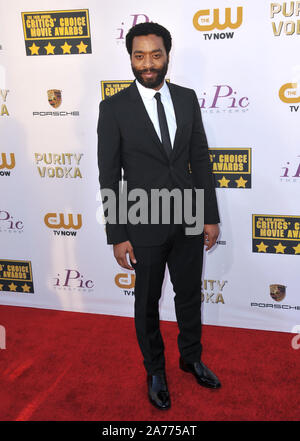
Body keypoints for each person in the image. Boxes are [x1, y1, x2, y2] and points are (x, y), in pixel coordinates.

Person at [97, 22, 221, 410]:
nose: (147, 64)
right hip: (142, 221)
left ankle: (191, 358)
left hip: (187, 215)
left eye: (155, 55)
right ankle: (155, 370)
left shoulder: (186, 99)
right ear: (130, 58)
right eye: (139, 56)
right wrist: (117, 233)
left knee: (188, 296)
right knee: (147, 303)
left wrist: (209, 215)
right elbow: (109, 174)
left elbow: (199, 159)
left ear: (168, 54)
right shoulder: (114, 107)